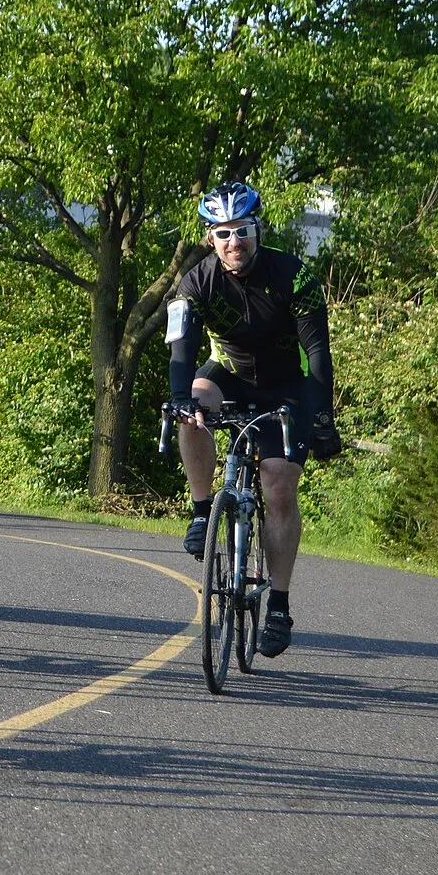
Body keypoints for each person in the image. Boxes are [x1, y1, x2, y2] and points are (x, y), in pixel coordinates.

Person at [167, 181, 342, 658]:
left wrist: (322, 416)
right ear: (210, 238)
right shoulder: (196, 281)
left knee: (279, 484)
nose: (233, 242)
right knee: (192, 408)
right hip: (229, 373)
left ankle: (280, 606)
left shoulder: (293, 275)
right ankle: (203, 509)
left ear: (257, 229)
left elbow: (317, 351)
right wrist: (178, 397)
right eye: (222, 233)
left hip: (287, 383)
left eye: (241, 231)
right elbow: (180, 347)